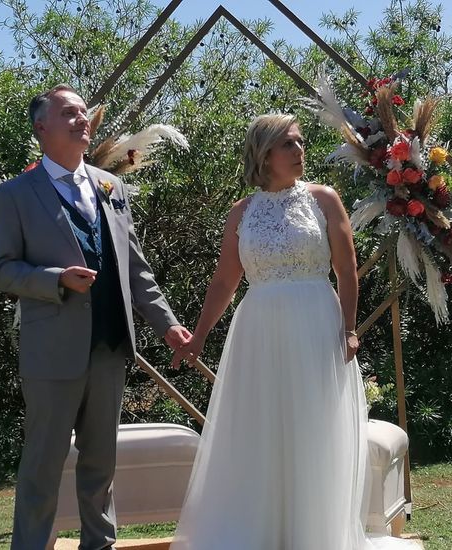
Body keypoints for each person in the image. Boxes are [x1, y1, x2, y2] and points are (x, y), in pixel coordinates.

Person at [169, 114, 419, 549]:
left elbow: (346, 270)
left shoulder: (323, 199)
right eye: (289, 144)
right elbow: (225, 281)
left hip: (314, 325)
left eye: (301, 142)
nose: (300, 151)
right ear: (265, 154)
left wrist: (349, 328)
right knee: (258, 431)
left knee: (313, 431)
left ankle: (315, 537)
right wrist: (200, 335)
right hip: (258, 329)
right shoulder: (241, 213)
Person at [0, 84, 192, 550]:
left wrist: (167, 324)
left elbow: (135, 267)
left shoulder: (111, 185)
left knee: (101, 465)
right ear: (42, 128)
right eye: (69, 113)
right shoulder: (15, 194)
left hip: (110, 348)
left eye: (83, 112)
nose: (83, 119)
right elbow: (0, 270)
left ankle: (99, 545)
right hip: (52, 352)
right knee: (43, 465)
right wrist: (56, 279)